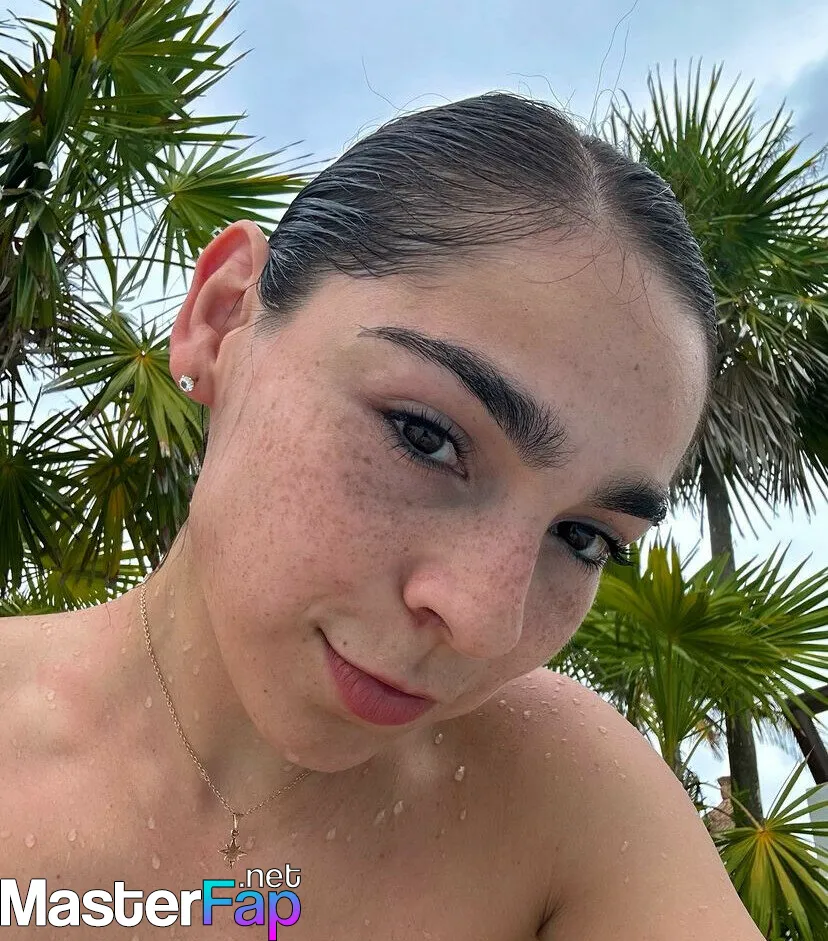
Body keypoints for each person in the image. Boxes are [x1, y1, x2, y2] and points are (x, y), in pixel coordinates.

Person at [0, 92, 765, 939]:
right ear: (222, 319)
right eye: (425, 435)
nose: (484, 623)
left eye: (582, 537)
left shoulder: (566, 802)